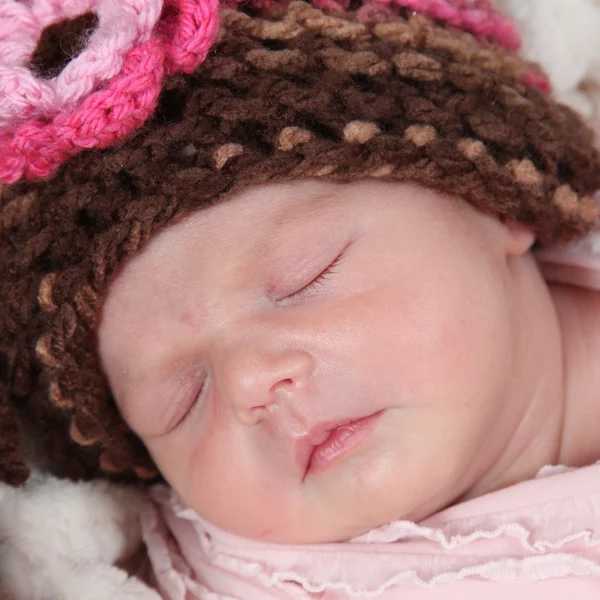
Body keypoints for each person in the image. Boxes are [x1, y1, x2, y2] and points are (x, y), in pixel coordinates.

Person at [2, 0, 600, 597]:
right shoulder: (231, 578)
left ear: (496, 199)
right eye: (181, 400)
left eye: (306, 277)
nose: (249, 381)